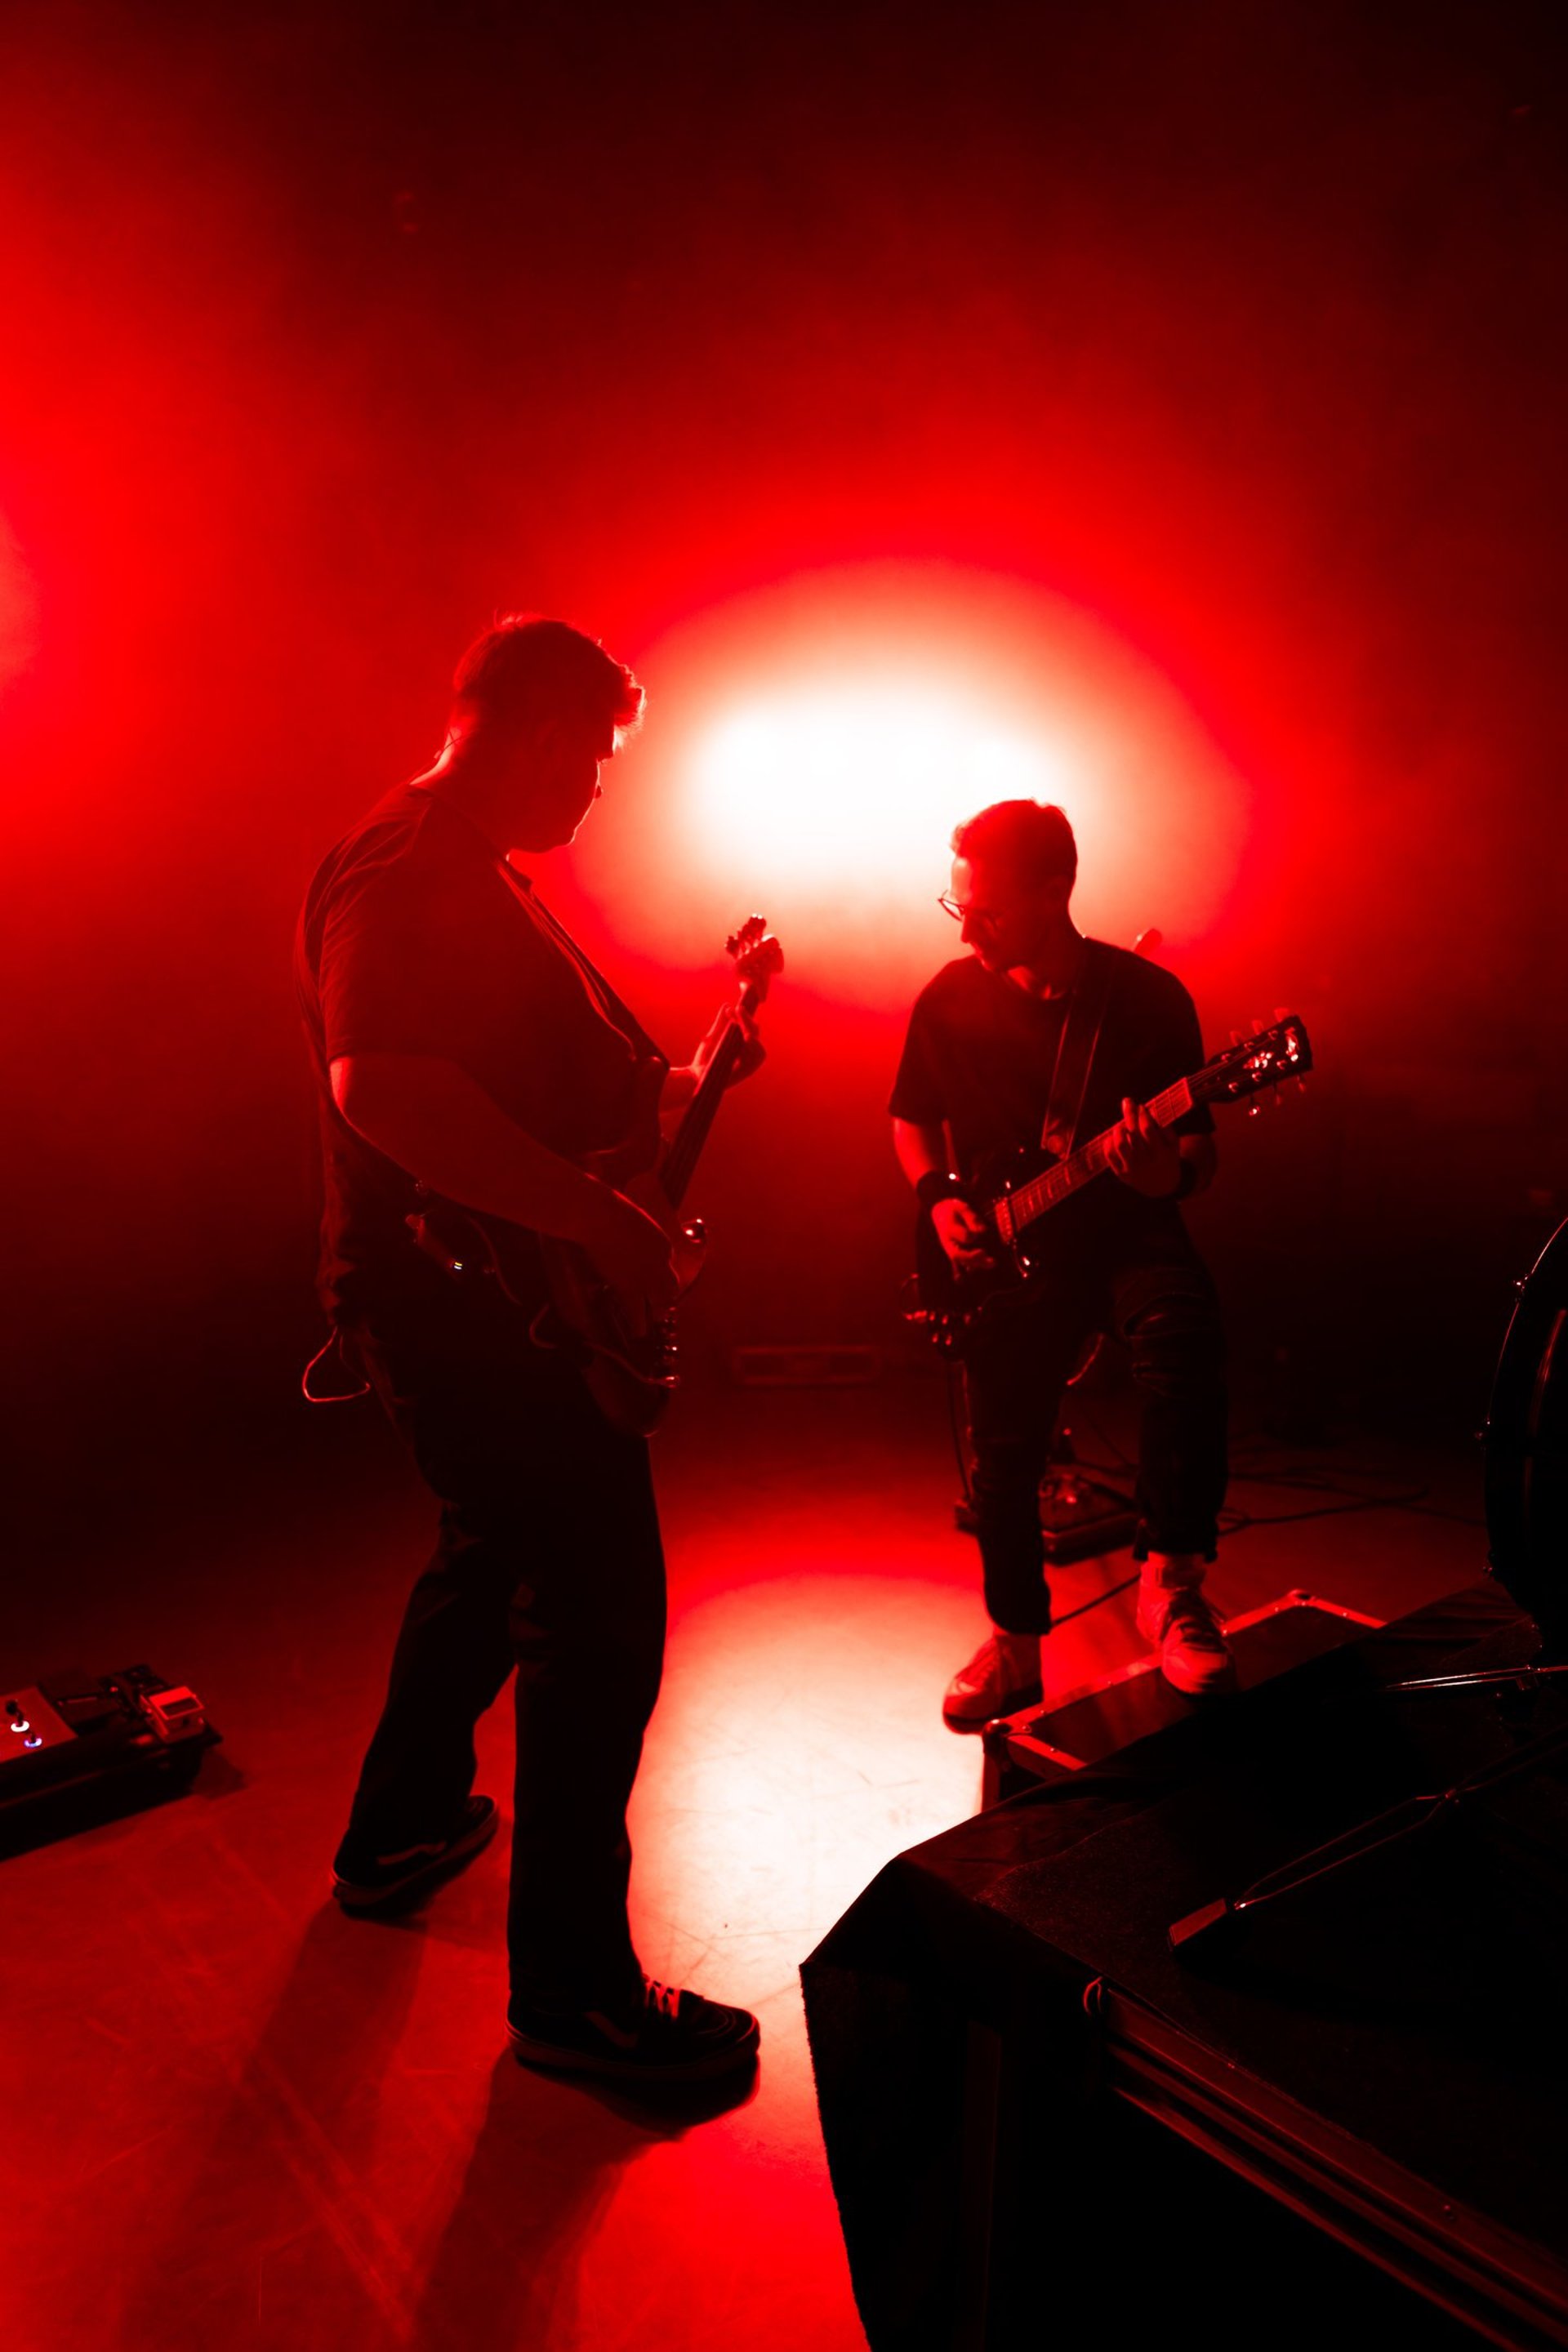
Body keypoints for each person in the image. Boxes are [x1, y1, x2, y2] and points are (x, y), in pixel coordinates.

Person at [295, 613, 760, 2083]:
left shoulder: (469, 875)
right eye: (603, 758)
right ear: (550, 730)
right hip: (473, 1315)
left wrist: (705, 1061)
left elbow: (547, 1100)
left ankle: (402, 1828)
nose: (601, 792)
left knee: (487, 1555)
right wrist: (602, 1227)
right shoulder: (411, 868)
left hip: (480, 1306)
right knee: (600, 1623)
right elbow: (383, 1088)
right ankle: (573, 1998)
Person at [889, 799, 1230, 1722]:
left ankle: (1173, 1584)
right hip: (1002, 1253)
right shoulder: (948, 999)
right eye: (956, 906)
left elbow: (1196, 1157)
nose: (968, 929)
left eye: (988, 911)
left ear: (1057, 891)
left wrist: (1160, 1169)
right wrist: (938, 1198)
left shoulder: (1149, 1001)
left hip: (1125, 1229)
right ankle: (1015, 1647)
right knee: (1001, 1460)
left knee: (1185, 1344)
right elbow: (910, 1119)